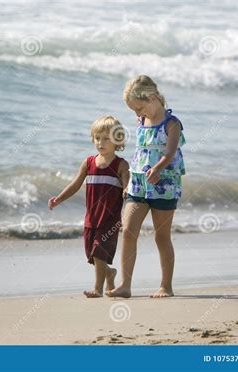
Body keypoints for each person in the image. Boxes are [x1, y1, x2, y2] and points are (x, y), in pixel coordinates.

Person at [106, 75, 186, 299]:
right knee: (129, 230)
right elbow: (139, 154)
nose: (137, 114)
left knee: (161, 237)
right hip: (139, 183)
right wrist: (128, 181)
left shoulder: (172, 123)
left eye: (139, 108)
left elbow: (170, 152)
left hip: (164, 183)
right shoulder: (142, 121)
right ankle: (125, 285)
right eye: (133, 110)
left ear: (152, 98)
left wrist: (159, 168)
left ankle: (166, 286)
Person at [48, 116, 129, 298]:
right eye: (97, 138)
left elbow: (127, 184)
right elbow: (75, 184)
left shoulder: (121, 165)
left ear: (117, 140)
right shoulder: (89, 163)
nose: (100, 142)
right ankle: (108, 273)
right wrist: (59, 199)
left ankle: (97, 289)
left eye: (106, 138)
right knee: (91, 254)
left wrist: (126, 190)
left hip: (109, 219)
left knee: (99, 251)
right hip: (91, 217)